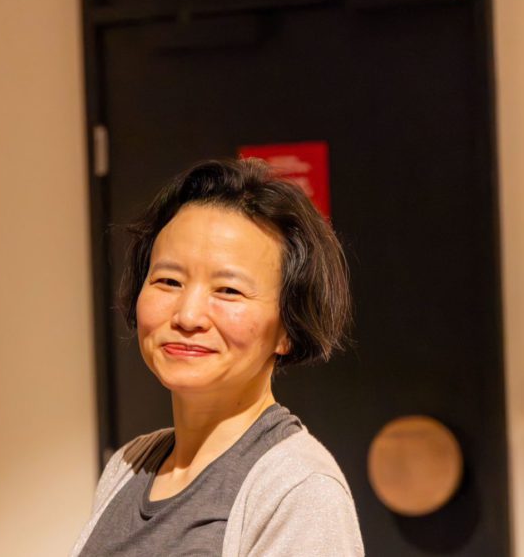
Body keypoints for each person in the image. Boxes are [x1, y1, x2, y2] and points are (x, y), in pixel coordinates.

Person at [72, 159, 364, 556]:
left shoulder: (297, 490)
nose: (188, 316)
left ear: (288, 328)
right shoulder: (129, 466)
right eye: (168, 281)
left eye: (228, 290)